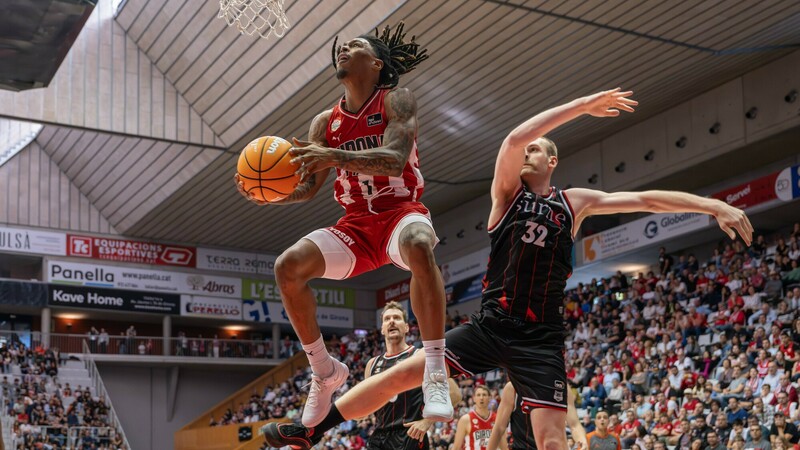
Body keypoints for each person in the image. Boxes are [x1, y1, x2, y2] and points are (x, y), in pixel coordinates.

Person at [262, 87, 753, 450]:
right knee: (398, 377)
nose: (530, 149)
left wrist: (712, 205)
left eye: (539, 149)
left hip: (541, 339)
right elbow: (519, 134)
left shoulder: (573, 203)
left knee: (552, 442)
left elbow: (645, 198)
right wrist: (581, 107)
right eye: (530, 146)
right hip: (493, 325)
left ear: (553, 161)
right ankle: (310, 430)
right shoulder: (505, 194)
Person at [235, 22, 451, 427]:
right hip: (354, 227)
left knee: (421, 243)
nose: (344, 48)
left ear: (376, 63)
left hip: (399, 214)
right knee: (287, 266)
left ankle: (435, 367)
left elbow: (395, 158)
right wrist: (268, 192)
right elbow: (306, 188)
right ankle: (324, 370)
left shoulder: (396, 101)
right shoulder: (324, 122)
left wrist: (333, 155)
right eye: (343, 46)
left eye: (356, 46)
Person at [366, 301, 461, 450]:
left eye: (397, 318)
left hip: (410, 435)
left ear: (406, 327)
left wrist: (427, 422)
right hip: (379, 438)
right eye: (387, 319)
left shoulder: (421, 356)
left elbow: (455, 394)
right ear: (382, 329)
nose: (391, 321)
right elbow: (369, 404)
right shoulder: (372, 364)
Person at [486, 382, 587, 450]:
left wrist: (582, 440)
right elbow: (499, 428)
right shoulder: (513, 387)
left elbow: (575, 425)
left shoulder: (561, 386)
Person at [452, 385, 504, 450]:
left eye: (484, 395)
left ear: (489, 398)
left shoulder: (498, 419)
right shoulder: (465, 419)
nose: (481, 398)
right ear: (474, 398)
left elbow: (503, 446)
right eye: (478, 395)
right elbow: (456, 447)